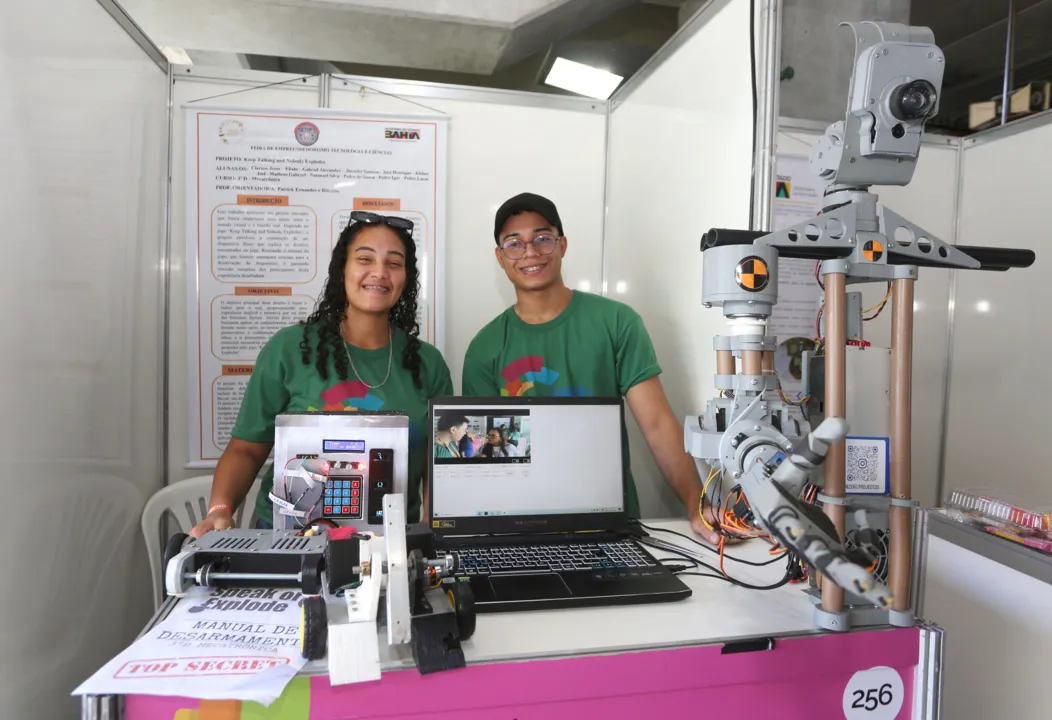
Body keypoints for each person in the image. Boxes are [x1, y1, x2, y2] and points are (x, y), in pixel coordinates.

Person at [461, 192, 723, 543]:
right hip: (519, 530)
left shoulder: (616, 322)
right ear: (500, 256)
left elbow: (658, 426)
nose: (530, 253)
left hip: (610, 524)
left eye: (543, 239)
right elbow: (484, 460)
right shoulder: (485, 348)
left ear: (562, 245)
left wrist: (696, 506)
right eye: (514, 243)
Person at [189, 211, 453, 537]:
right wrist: (220, 509)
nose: (379, 272)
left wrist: (429, 529)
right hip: (288, 535)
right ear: (342, 269)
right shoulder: (289, 348)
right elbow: (247, 447)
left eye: (394, 263)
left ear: (406, 278)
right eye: (365, 258)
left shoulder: (429, 363)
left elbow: (435, 462)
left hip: (391, 540)